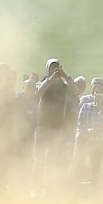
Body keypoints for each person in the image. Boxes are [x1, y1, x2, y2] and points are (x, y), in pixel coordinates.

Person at [32, 58, 77, 194]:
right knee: (39, 158)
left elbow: (75, 90)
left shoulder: (64, 85)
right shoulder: (43, 82)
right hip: (43, 126)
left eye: (57, 67)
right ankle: (36, 187)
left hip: (57, 128)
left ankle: (48, 187)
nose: (55, 70)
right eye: (52, 67)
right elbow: (39, 92)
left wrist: (65, 76)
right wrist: (51, 79)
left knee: (51, 159)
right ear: (48, 69)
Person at [71, 85, 103, 186]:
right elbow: (79, 123)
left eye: (100, 95)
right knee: (79, 163)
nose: (98, 97)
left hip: (97, 141)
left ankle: (95, 186)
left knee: (96, 165)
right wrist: (86, 130)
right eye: (96, 94)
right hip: (83, 140)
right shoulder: (86, 106)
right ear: (93, 95)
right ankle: (74, 185)